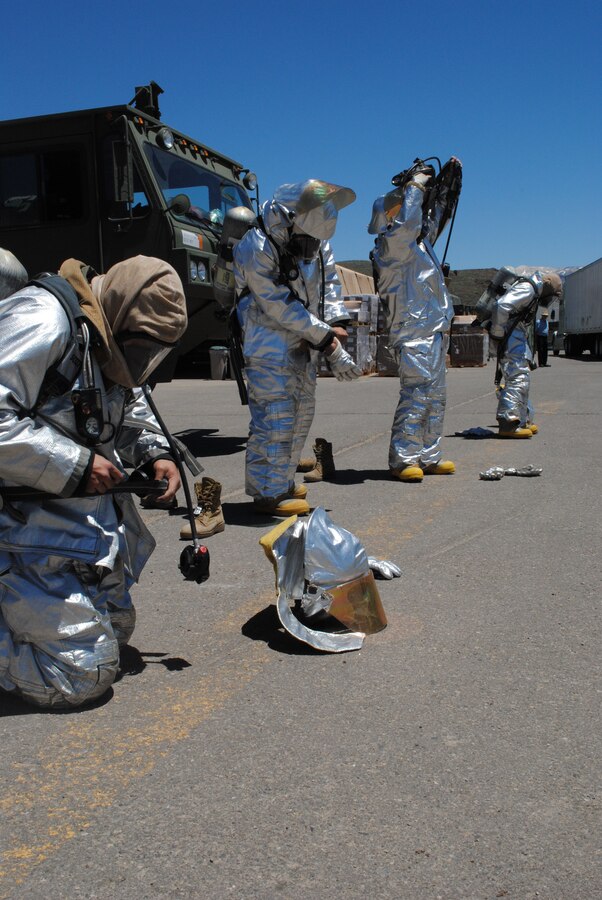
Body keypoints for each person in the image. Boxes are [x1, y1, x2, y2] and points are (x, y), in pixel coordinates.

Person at [0, 253, 187, 709]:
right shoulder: (43, 320)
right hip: (19, 523)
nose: (144, 360)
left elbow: (128, 400)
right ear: (120, 311)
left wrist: (158, 452)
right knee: (78, 676)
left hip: (72, 525)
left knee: (117, 631)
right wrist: (75, 464)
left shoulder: (102, 333)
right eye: (142, 347)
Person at [233, 179, 361, 517]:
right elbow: (275, 302)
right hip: (267, 343)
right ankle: (268, 493)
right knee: (275, 418)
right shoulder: (256, 245)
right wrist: (324, 336)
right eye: (305, 239)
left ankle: (283, 481)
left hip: (304, 341)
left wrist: (337, 322)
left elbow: (329, 282)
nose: (311, 247)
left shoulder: (315, 239)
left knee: (301, 414)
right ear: (288, 218)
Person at [368, 157, 462, 482]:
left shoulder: (417, 245)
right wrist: (415, 186)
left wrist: (445, 189)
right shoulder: (391, 247)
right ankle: (404, 457)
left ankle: (428, 454)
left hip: (431, 331)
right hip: (411, 334)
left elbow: (434, 220)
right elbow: (409, 224)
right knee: (417, 393)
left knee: (436, 396)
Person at [489, 269, 561, 437]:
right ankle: (507, 423)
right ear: (548, 289)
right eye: (552, 295)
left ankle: (522, 420)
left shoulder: (532, 292)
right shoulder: (527, 289)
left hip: (516, 337)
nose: (550, 300)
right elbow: (501, 306)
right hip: (510, 338)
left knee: (522, 378)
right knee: (517, 379)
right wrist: (498, 334)